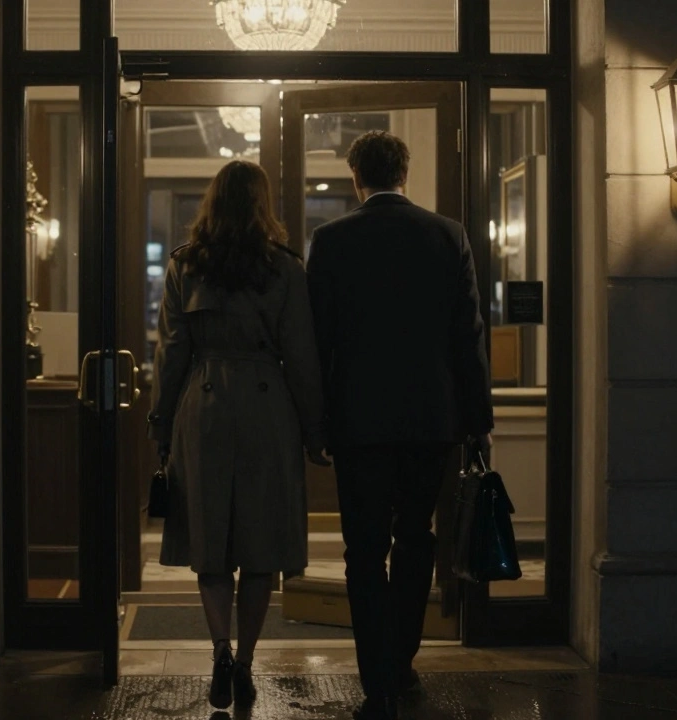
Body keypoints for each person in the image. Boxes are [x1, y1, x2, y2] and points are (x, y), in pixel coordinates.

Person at [306, 130, 494, 720]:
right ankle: (402, 661)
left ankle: (375, 680)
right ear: (404, 175)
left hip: (359, 422)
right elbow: (468, 336)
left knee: (363, 551)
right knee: (417, 542)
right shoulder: (448, 236)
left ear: (355, 178)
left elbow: (318, 342)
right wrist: (478, 421)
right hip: (430, 420)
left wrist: (317, 423)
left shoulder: (332, 241)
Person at [147, 160, 326, 711]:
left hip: (202, 406)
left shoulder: (185, 266)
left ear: (211, 202)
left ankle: (219, 650)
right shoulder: (286, 270)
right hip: (268, 407)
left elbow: (171, 352)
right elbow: (301, 358)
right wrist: (316, 431)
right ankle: (245, 661)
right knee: (261, 544)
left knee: (211, 541)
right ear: (261, 204)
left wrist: (160, 423)